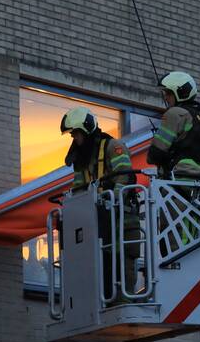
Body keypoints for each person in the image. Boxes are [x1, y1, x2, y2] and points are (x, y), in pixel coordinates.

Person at [60, 107, 140, 301]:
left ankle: (123, 300)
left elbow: (125, 176)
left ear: (87, 130)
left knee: (121, 264)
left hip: (120, 218)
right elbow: (79, 188)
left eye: (77, 134)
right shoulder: (81, 160)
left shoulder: (113, 146)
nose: (75, 139)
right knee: (98, 263)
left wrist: (112, 201)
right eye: (73, 134)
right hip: (96, 221)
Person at [148, 71, 200, 181]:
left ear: (181, 93)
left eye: (168, 93)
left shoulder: (175, 113)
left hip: (177, 177)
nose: (166, 98)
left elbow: (155, 153)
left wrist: (153, 156)